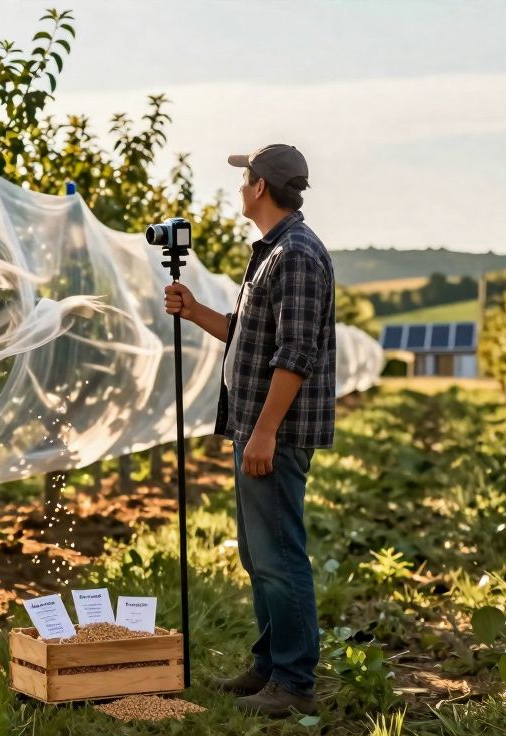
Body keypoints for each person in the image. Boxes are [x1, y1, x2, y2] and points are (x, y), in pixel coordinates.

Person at [164, 144, 336, 718]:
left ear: (261, 187)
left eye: (245, 179)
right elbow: (248, 333)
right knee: (259, 554)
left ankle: (293, 682)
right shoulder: (271, 253)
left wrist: (265, 432)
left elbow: (296, 354)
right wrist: (194, 311)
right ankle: (270, 664)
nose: (240, 187)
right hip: (254, 426)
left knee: (280, 553)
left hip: (275, 433)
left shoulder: (297, 254)